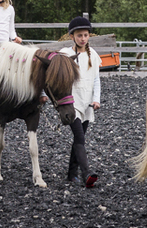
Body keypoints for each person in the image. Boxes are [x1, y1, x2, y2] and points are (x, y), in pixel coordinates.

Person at [59, 16, 101, 188]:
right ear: (72, 37)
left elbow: (96, 79)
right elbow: (53, 75)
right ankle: (86, 174)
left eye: (85, 35)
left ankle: (71, 174)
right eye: (79, 36)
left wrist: (96, 99)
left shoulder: (94, 55)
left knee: (79, 140)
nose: (83, 38)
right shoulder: (65, 54)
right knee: (79, 137)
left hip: (87, 103)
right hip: (72, 102)